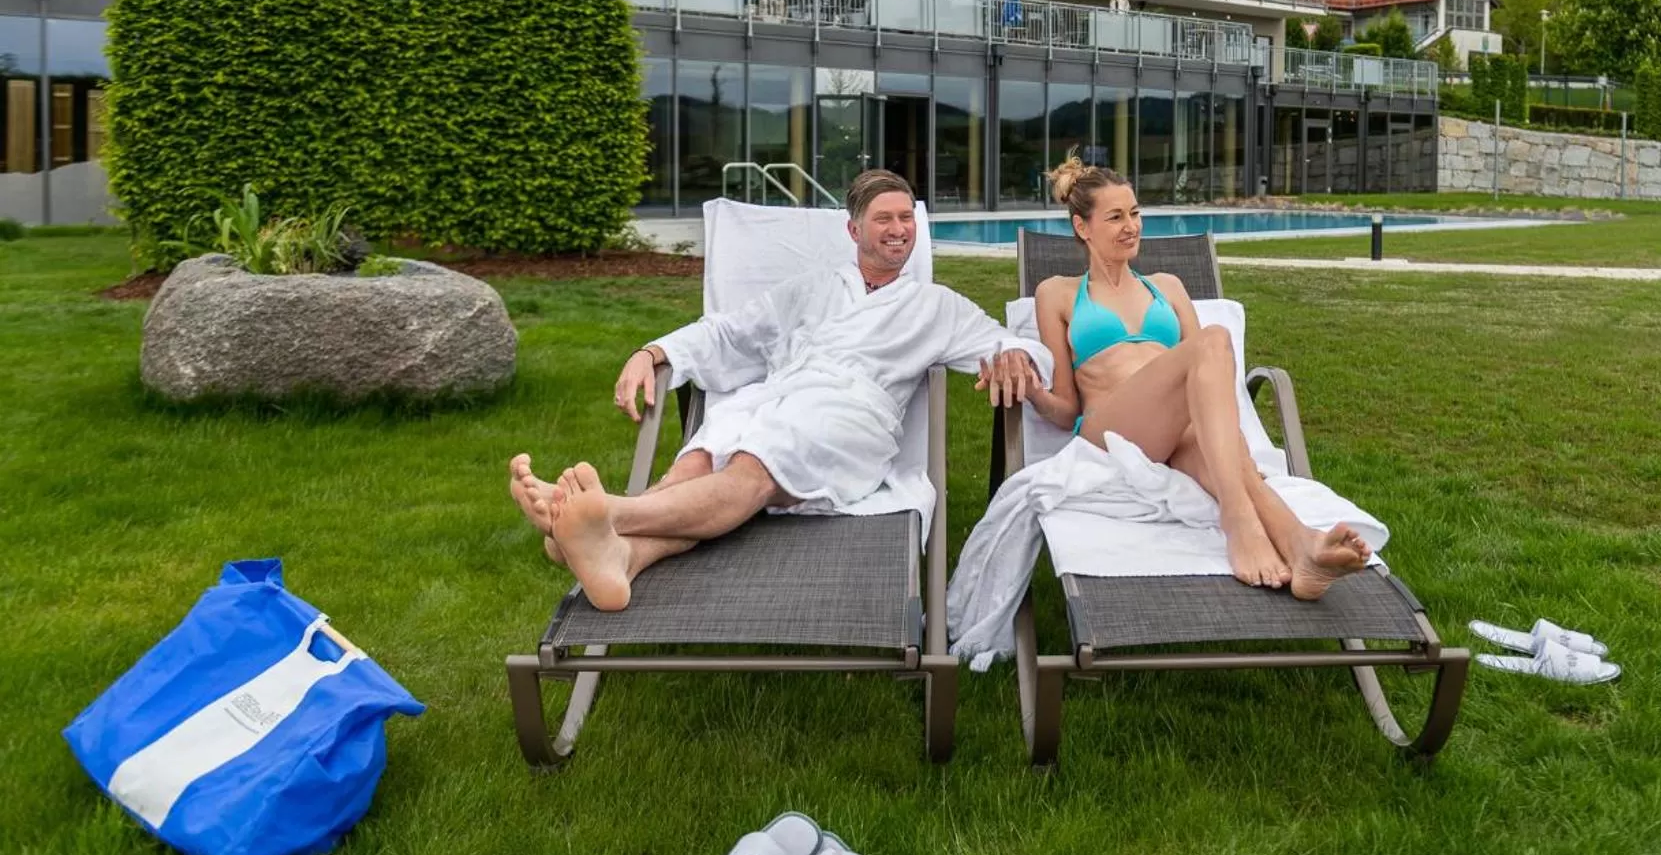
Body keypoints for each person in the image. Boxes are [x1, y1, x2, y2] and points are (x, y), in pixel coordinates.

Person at [508, 169, 1050, 611]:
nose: (898, 228)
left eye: (907, 217)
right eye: (883, 217)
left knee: (752, 470)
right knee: (695, 464)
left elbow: (1008, 344)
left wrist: (1017, 358)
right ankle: (619, 557)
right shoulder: (813, 288)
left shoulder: (937, 306)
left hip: (849, 416)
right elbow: (731, 330)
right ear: (854, 230)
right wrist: (652, 352)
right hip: (774, 399)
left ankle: (602, 517)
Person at [1020, 156, 1370, 599]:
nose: (1131, 226)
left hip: (1176, 429)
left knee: (1230, 458)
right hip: (1111, 428)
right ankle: (1238, 523)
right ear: (1082, 227)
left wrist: (1235, 444)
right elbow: (1066, 406)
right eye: (1115, 217)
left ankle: (1305, 549)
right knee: (1213, 339)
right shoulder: (1057, 293)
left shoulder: (1168, 286)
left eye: (1135, 213)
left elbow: (1214, 378)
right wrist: (1034, 392)